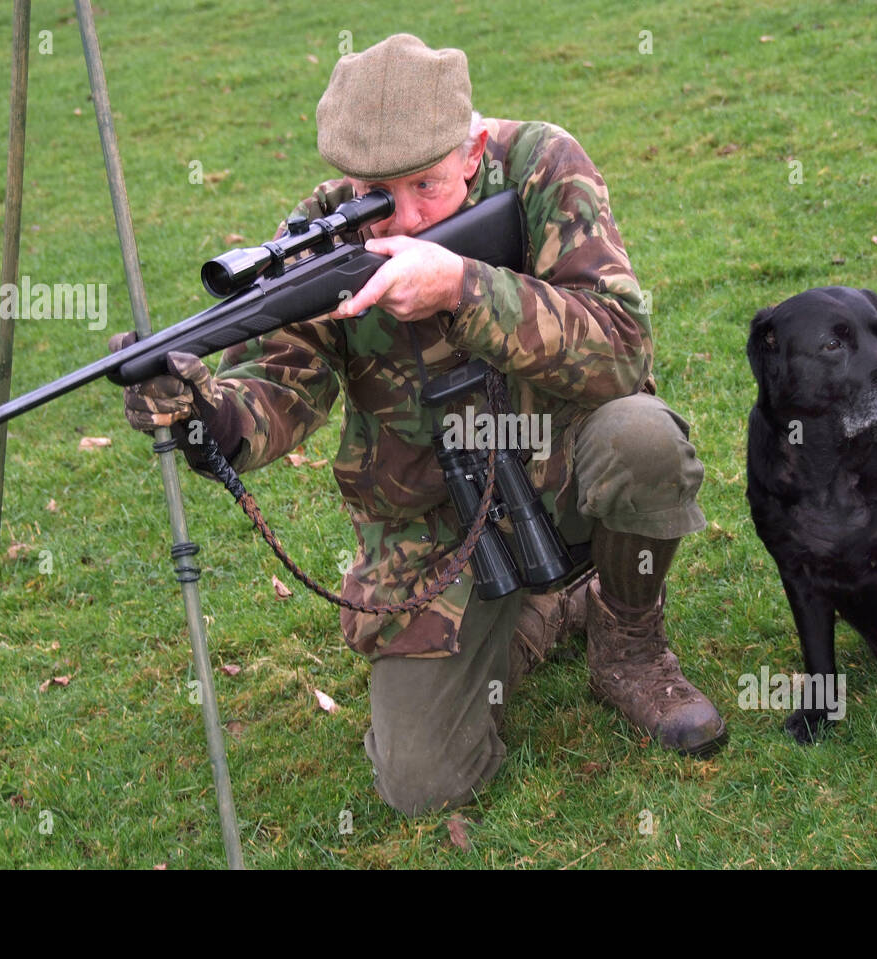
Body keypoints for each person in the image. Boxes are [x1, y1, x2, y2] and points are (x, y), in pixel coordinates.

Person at [113, 33, 727, 817]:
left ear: (471, 150)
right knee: (424, 783)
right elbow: (278, 391)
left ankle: (628, 640)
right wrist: (203, 411)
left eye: (426, 187)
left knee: (645, 439)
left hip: (564, 469)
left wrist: (462, 287)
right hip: (435, 527)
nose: (401, 219)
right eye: (376, 194)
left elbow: (621, 344)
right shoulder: (323, 230)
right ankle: (545, 609)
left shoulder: (542, 165)